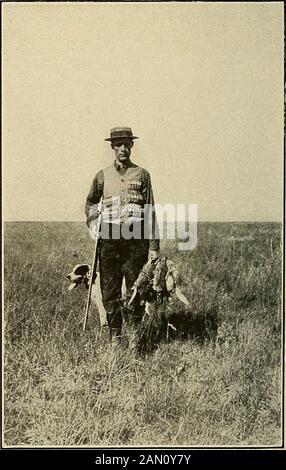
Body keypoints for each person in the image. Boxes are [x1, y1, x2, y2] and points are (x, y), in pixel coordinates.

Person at [85, 127, 160, 345]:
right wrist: (93, 221)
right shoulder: (102, 176)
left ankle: (135, 337)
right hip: (108, 240)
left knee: (135, 289)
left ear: (132, 146)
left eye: (127, 144)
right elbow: (90, 202)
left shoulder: (142, 175)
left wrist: (154, 246)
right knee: (109, 290)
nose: (123, 149)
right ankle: (115, 338)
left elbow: (150, 210)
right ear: (112, 147)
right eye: (119, 144)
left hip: (136, 240)